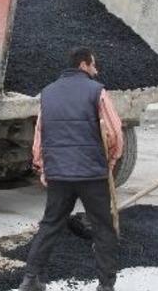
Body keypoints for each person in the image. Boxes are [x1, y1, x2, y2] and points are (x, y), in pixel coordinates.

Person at [19, 47, 123, 291]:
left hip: (59, 174)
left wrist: (42, 167)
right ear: (84, 64)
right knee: (103, 228)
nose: (96, 70)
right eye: (93, 65)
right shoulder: (97, 91)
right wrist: (110, 161)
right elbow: (114, 132)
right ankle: (106, 285)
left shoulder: (47, 93)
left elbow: (40, 134)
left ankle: (30, 279)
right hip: (92, 174)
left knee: (50, 225)